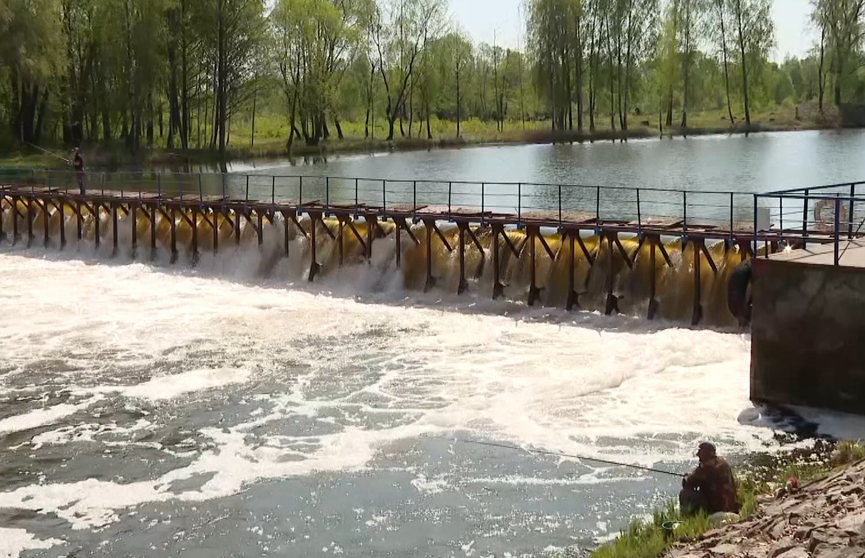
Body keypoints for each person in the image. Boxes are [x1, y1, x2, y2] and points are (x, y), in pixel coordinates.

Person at [679, 442, 740, 516]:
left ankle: (687, 517)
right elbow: (698, 475)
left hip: (718, 509)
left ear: (706, 454)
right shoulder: (721, 462)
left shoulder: (708, 467)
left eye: (700, 452)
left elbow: (688, 483)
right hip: (730, 506)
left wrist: (687, 477)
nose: (697, 455)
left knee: (684, 493)